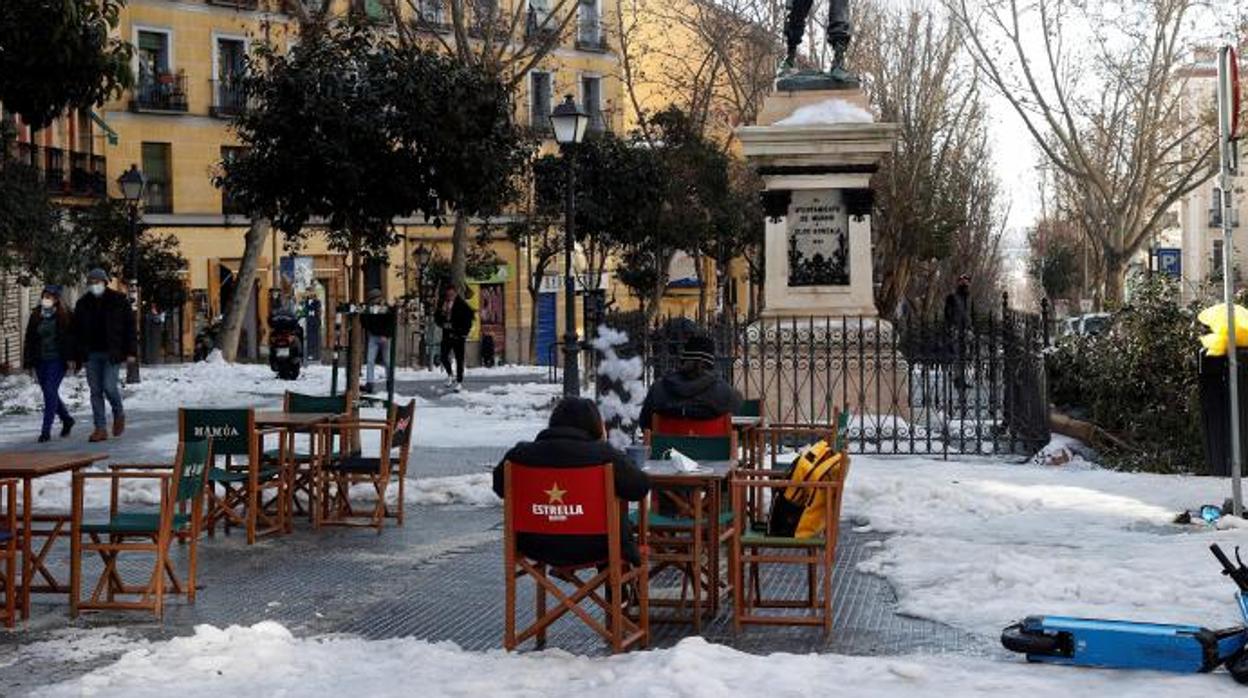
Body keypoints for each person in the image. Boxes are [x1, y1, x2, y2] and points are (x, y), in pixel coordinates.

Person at [493, 397, 650, 568]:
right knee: (615, 524)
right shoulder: (604, 455)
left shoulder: (519, 455)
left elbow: (500, 488)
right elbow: (638, 488)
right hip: (596, 546)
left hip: (534, 544)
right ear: (595, 425)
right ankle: (616, 593)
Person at [73, 268, 136, 442]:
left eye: (97, 282)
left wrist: (131, 351)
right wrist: (76, 356)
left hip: (112, 352)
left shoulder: (118, 300)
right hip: (91, 353)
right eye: (91, 283)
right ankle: (100, 428)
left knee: (109, 386)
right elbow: (76, 331)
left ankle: (118, 413)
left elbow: (130, 327)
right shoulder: (83, 304)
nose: (94, 286)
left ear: (105, 282)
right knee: (95, 391)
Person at [638, 333, 742, 431]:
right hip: (713, 448)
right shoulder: (726, 392)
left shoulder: (658, 388)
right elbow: (737, 427)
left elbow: (645, 425)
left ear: (684, 359)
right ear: (711, 362)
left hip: (667, 449)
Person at [23, 285, 76, 442]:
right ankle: (66, 419)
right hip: (40, 360)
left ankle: (45, 430)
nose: (47, 299)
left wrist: (72, 358)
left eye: (50, 297)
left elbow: (71, 339)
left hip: (57, 360)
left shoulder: (64, 316)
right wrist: (28, 362)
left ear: (56, 300)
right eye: (45, 296)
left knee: (50, 390)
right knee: (48, 392)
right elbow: (30, 339)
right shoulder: (36, 315)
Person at [434, 285, 474, 392]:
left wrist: (463, 332)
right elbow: (437, 317)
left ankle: (459, 382)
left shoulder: (461, 305)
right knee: (443, 356)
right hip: (447, 334)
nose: (450, 296)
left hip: (458, 336)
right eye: (448, 294)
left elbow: (469, 318)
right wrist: (442, 322)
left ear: (455, 294)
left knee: (459, 359)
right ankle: (450, 374)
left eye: (452, 294)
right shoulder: (443, 304)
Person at [360, 287, 393, 394]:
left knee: (387, 361)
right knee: (370, 361)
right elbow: (364, 320)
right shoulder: (369, 308)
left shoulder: (386, 307)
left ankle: (390, 382)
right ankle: (370, 383)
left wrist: (386, 335)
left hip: (384, 337)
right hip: (373, 336)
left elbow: (390, 323)